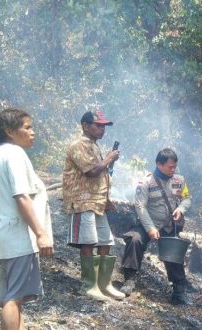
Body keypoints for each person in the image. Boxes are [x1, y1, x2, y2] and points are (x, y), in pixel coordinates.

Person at [0, 108, 54, 329]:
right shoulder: (14, 154)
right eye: (27, 127)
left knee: (14, 294)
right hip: (18, 235)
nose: (32, 132)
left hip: (4, 233)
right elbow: (21, 196)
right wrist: (41, 233)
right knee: (13, 297)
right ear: (9, 131)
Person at [62, 110, 123, 301]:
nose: (102, 129)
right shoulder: (77, 145)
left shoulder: (94, 147)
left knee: (105, 241)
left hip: (97, 202)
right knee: (88, 242)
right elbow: (92, 172)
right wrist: (108, 159)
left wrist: (107, 200)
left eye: (104, 126)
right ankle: (90, 285)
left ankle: (104, 284)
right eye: (98, 125)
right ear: (85, 125)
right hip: (82, 201)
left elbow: (101, 175)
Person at [120, 148, 192, 305]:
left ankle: (179, 290)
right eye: (170, 167)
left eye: (175, 166)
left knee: (174, 248)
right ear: (159, 164)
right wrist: (150, 228)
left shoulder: (179, 180)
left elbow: (187, 198)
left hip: (168, 226)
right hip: (148, 224)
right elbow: (140, 207)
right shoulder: (145, 182)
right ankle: (129, 280)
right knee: (134, 240)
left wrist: (181, 209)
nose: (173, 170)